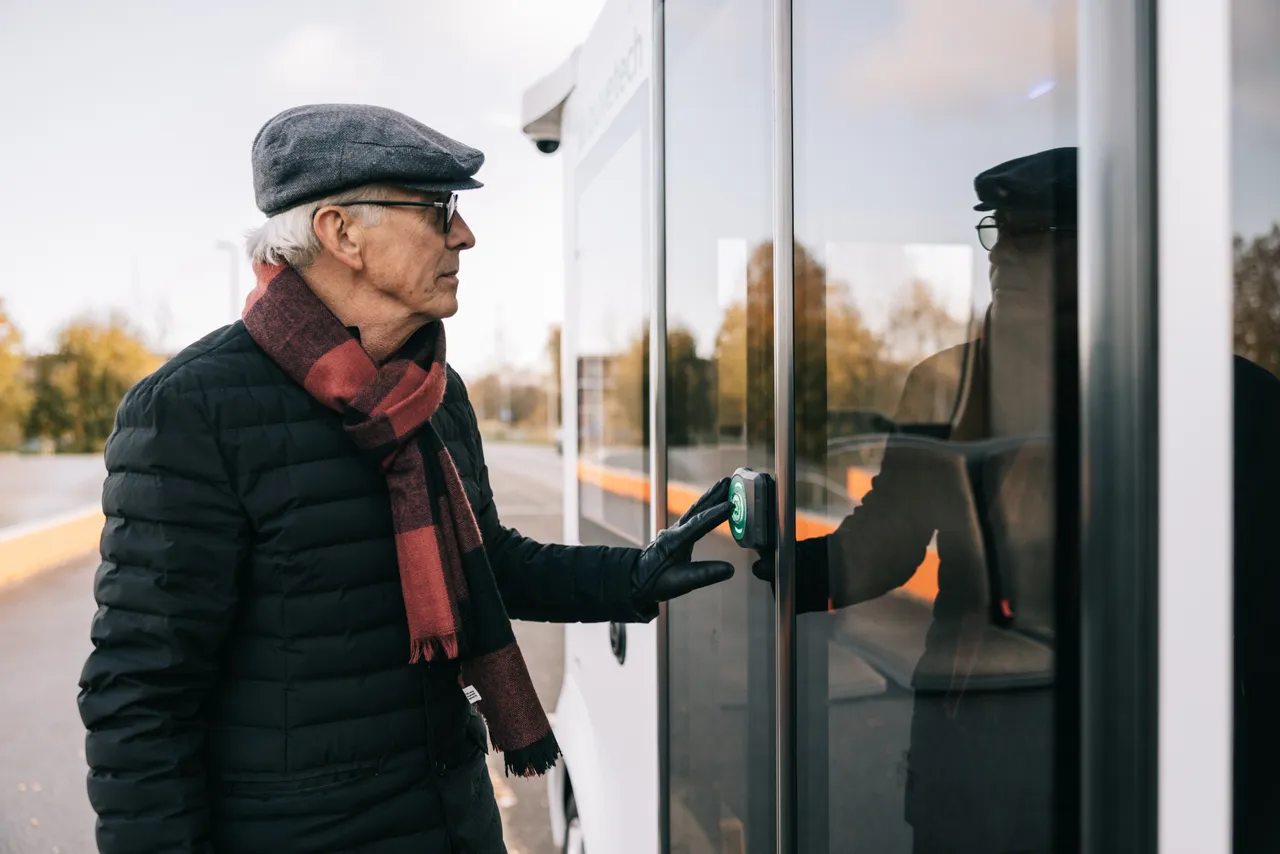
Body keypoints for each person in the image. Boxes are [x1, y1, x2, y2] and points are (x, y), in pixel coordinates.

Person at [76, 103, 735, 854]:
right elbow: (140, 698)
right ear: (341, 232)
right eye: (437, 209)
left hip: (452, 822)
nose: (464, 234)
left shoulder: (432, 391)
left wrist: (636, 576)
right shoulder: (192, 410)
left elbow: (492, 565)